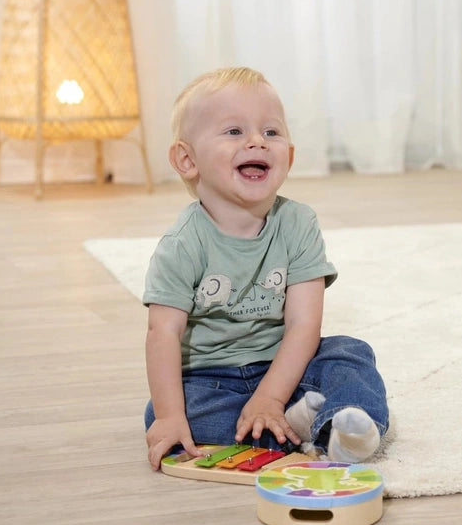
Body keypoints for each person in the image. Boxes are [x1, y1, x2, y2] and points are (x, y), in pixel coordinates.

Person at [142, 66, 389, 471]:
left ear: (288, 156)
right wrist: (172, 418)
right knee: (165, 413)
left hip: (285, 366)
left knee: (349, 354)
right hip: (210, 377)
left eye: (271, 132)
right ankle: (299, 425)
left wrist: (272, 395)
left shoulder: (298, 223)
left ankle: (342, 428)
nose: (257, 140)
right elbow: (162, 333)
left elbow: (303, 326)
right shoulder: (182, 244)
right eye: (234, 131)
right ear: (187, 159)